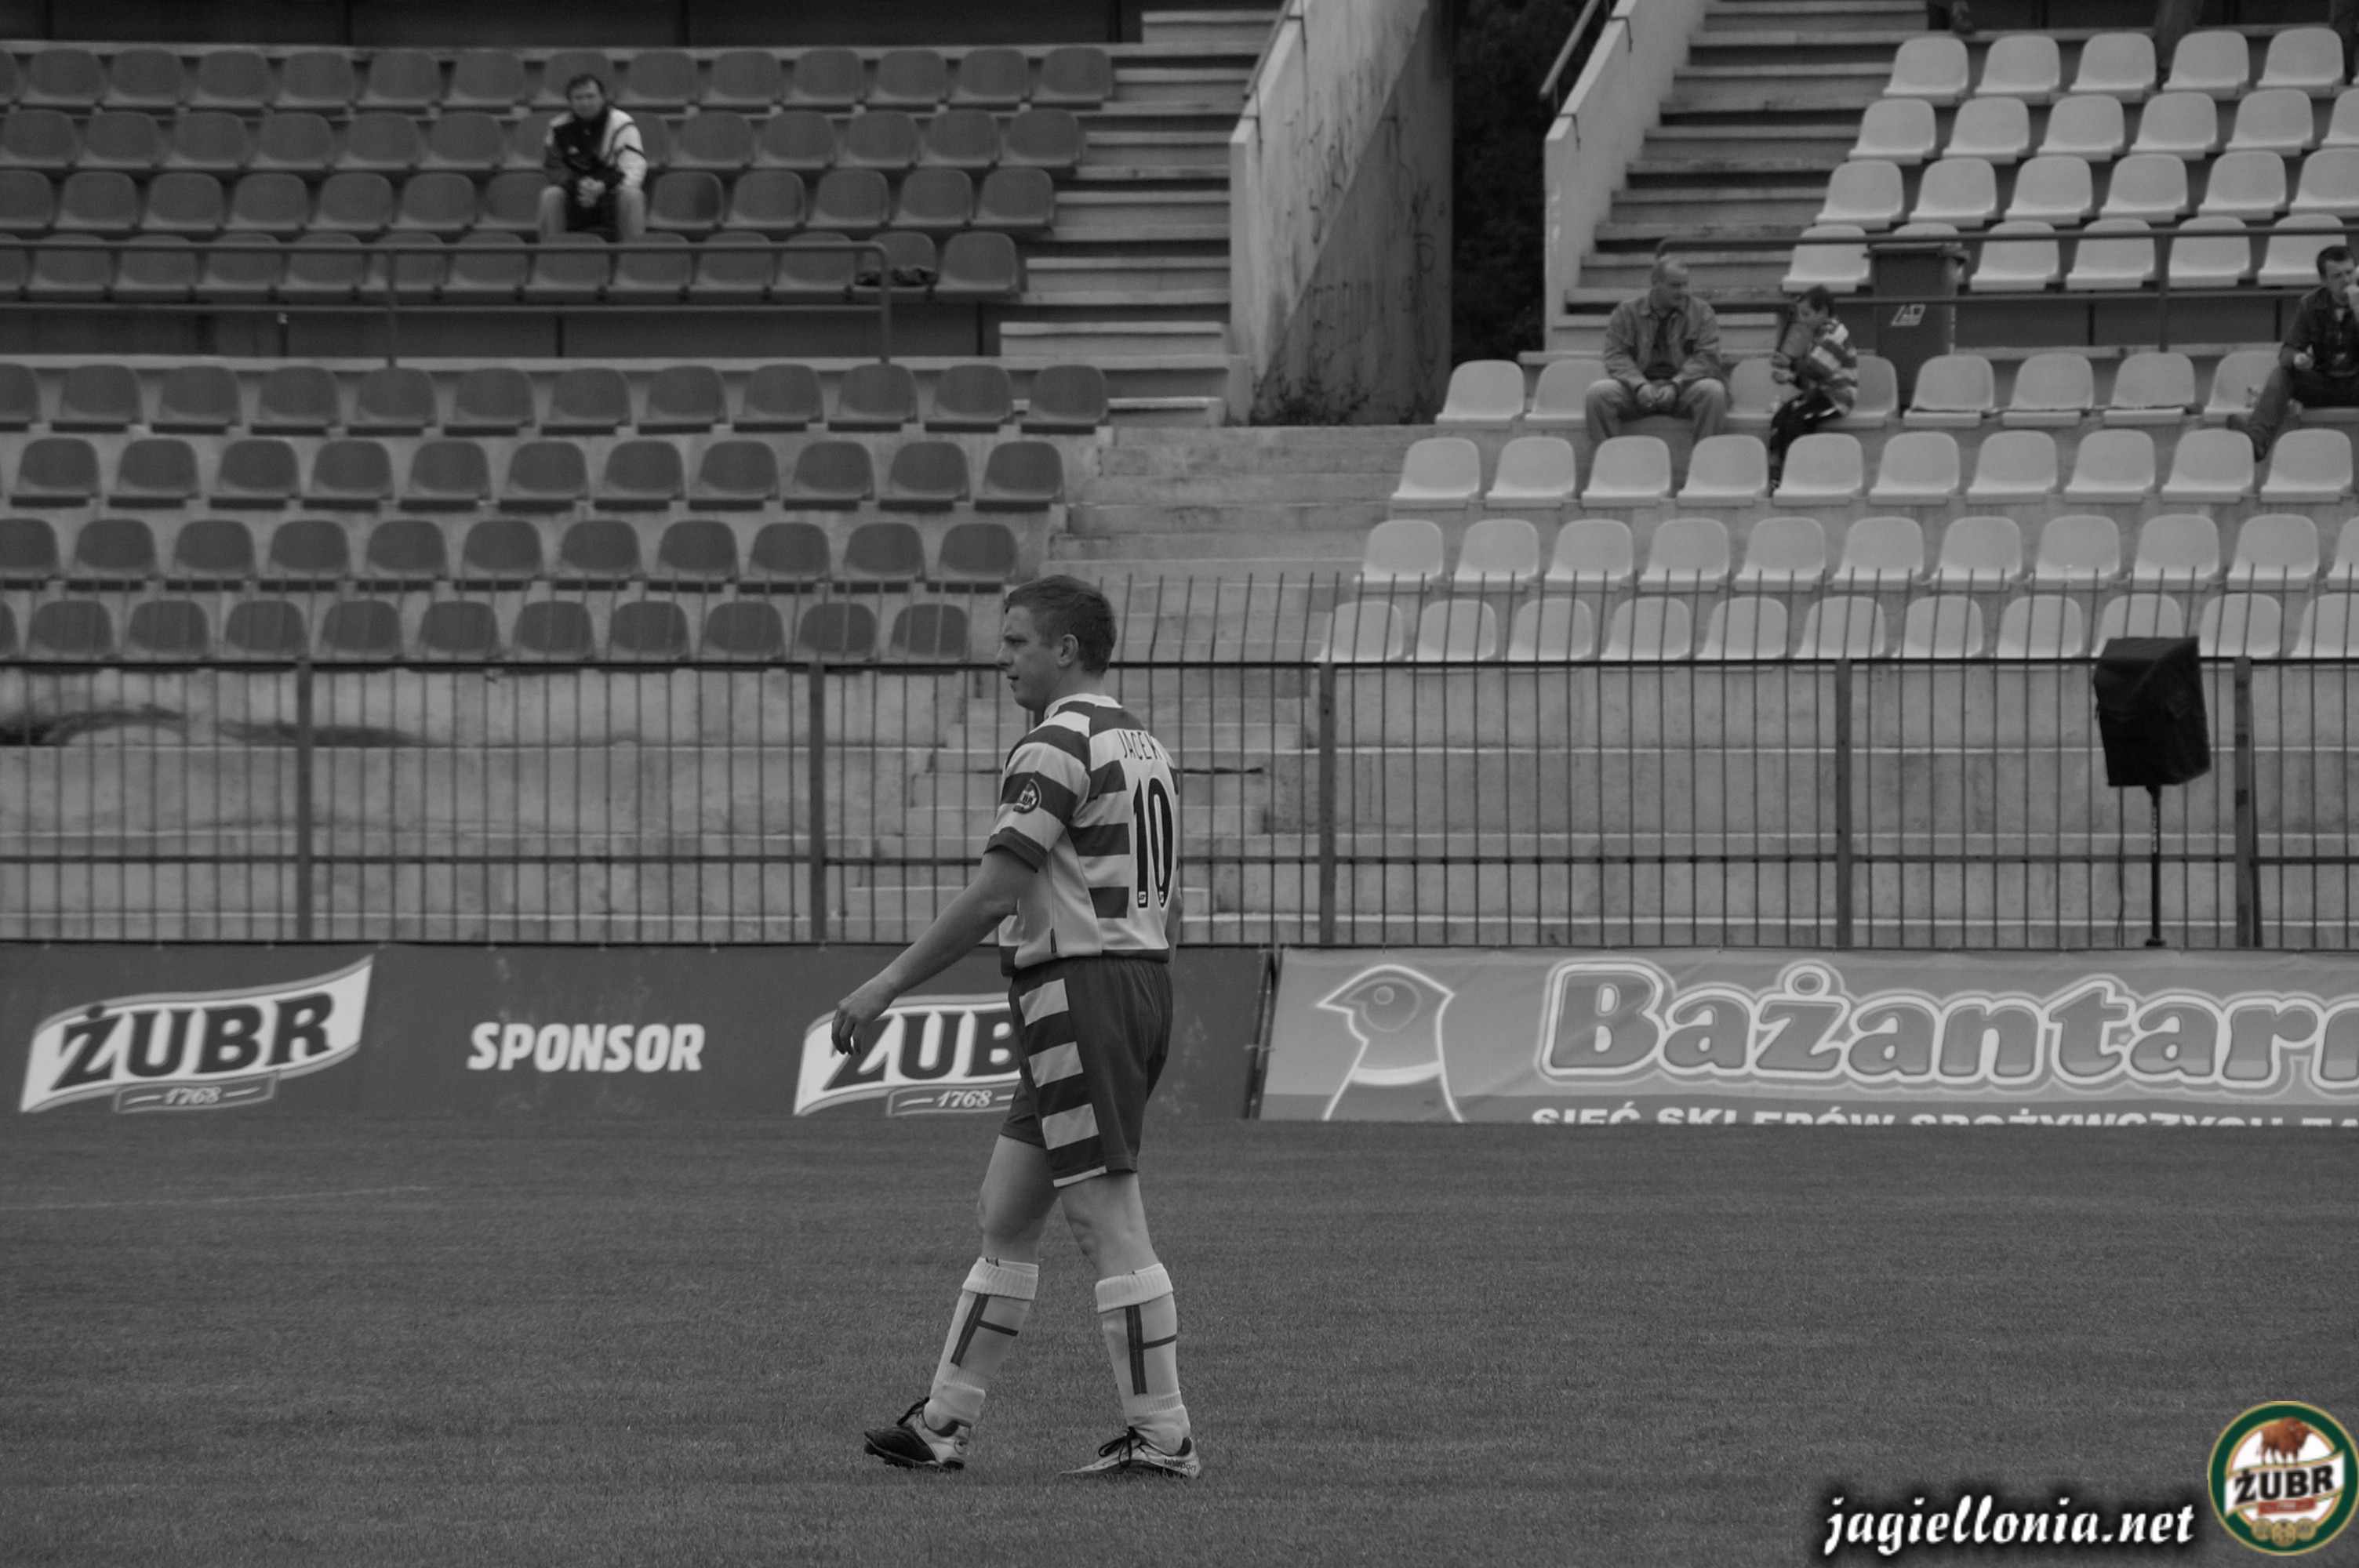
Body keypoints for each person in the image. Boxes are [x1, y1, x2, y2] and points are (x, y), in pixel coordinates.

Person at [835, 576, 1199, 1481]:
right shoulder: (1143, 744)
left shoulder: (1054, 742)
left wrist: (885, 982)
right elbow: (1164, 897)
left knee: (1105, 1216)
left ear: (1064, 649)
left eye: (1015, 642)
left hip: (1080, 986)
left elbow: (998, 891)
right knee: (1005, 1210)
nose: (1001, 660)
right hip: (1128, 977)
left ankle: (1162, 1433)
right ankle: (941, 1422)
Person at [2230, 244, 2359, 462]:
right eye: (2337, 276)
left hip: (2356, 383)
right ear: (2324, 281)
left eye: (2349, 273)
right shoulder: (2310, 305)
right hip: (2325, 382)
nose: (2347, 281)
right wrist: (2297, 359)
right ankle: (2257, 440)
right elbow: (2287, 351)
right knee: (2283, 373)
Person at [1585, 256, 1728, 446]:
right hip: (1638, 390)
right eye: (1675, 286)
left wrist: (1676, 385)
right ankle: (1609, 460)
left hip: (1684, 389)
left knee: (1713, 391)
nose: (1683, 292)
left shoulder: (1702, 312)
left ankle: (1705, 459)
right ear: (1655, 283)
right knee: (1598, 394)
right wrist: (1639, 385)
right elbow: (1615, 355)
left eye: (1685, 285)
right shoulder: (1626, 312)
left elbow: (1708, 357)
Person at [1767, 285, 1859, 486]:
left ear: (1823, 312)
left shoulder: (1836, 335)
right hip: (1819, 393)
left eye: (1807, 314)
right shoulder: (1816, 337)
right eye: (1800, 314)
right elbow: (1809, 378)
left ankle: (1798, 475)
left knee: (1798, 420)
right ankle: (1776, 472)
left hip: (1836, 398)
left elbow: (1816, 370)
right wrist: (1789, 378)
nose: (1802, 319)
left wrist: (1790, 364)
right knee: (1781, 417)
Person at [537, 73, 645, 243]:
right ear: (570, 102)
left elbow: (634, 168)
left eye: (590, 96)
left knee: (633, 195)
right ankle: (552, 253)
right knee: (550, 195)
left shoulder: (622, 124)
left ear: (603, 98)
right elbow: (554, 167)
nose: (585, 103)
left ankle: (633, 255)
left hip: (612, 192)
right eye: (578, 98)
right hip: (575, 193)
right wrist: (579, 186)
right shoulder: (557, 127)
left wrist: (602, 187)